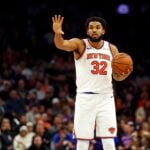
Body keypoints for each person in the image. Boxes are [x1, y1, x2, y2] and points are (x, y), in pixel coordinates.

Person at [52, 14, 133, 150]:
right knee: (82, 142)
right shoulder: (80, 44)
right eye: (91, 28)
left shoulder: (112, 49)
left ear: (103, 31)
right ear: (87, 31)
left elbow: (117, 77)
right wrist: (57, 34)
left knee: (109, 141)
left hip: (106, 98)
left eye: (97, 27)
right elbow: (62, 45)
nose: (94, 30)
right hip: (85, 98)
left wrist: (124, 74)